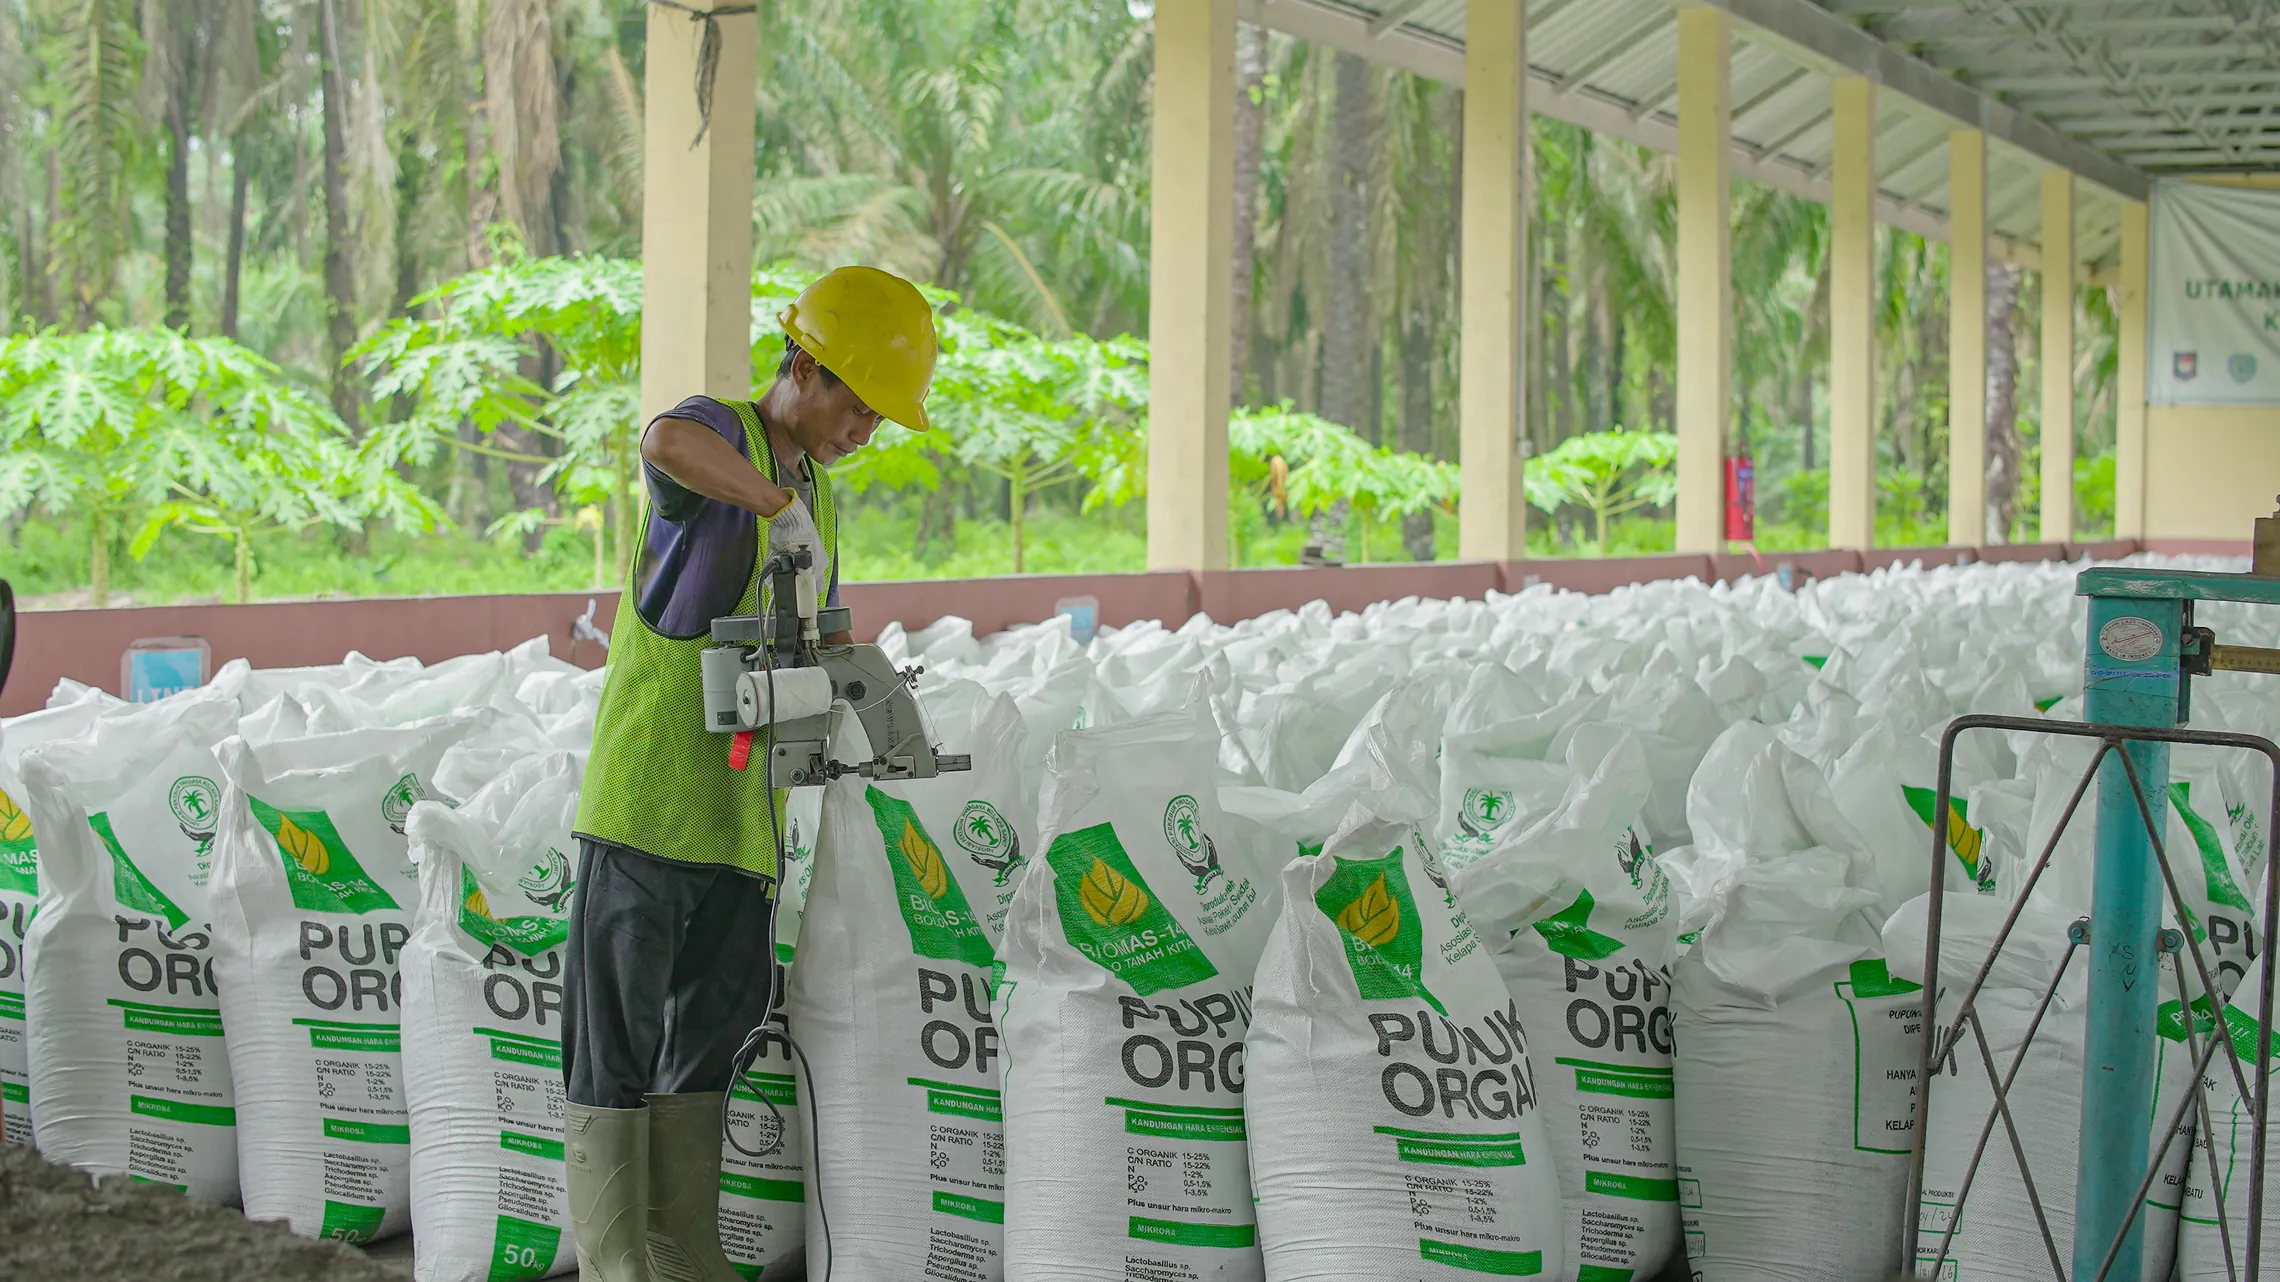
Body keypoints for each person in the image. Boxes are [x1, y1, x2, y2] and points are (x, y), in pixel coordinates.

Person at [562, 265, 938, 1281]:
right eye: (858, 408)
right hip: (648, 808)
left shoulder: (813, 492)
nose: (865, 431)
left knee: (711, 1033)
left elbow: (814, 632)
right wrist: (772, 500)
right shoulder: (723, 437)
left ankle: (680, 1246)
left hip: (739, 822)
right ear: (804, 368)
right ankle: (612, 1256)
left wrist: (867, 698)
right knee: (617, 1038)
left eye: (878, 419)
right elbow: (661, 443)